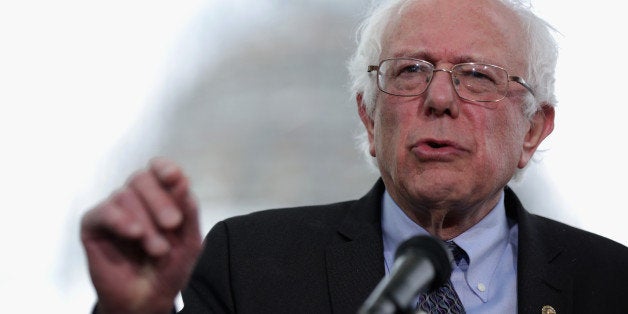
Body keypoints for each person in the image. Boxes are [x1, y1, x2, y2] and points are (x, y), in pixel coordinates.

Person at [80, 0, 628, 313]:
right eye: (410, 71)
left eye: (476, 77)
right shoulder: (246, 264)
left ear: (534, 129)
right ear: (369, 118)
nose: (439, 100)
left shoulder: (612, 284)